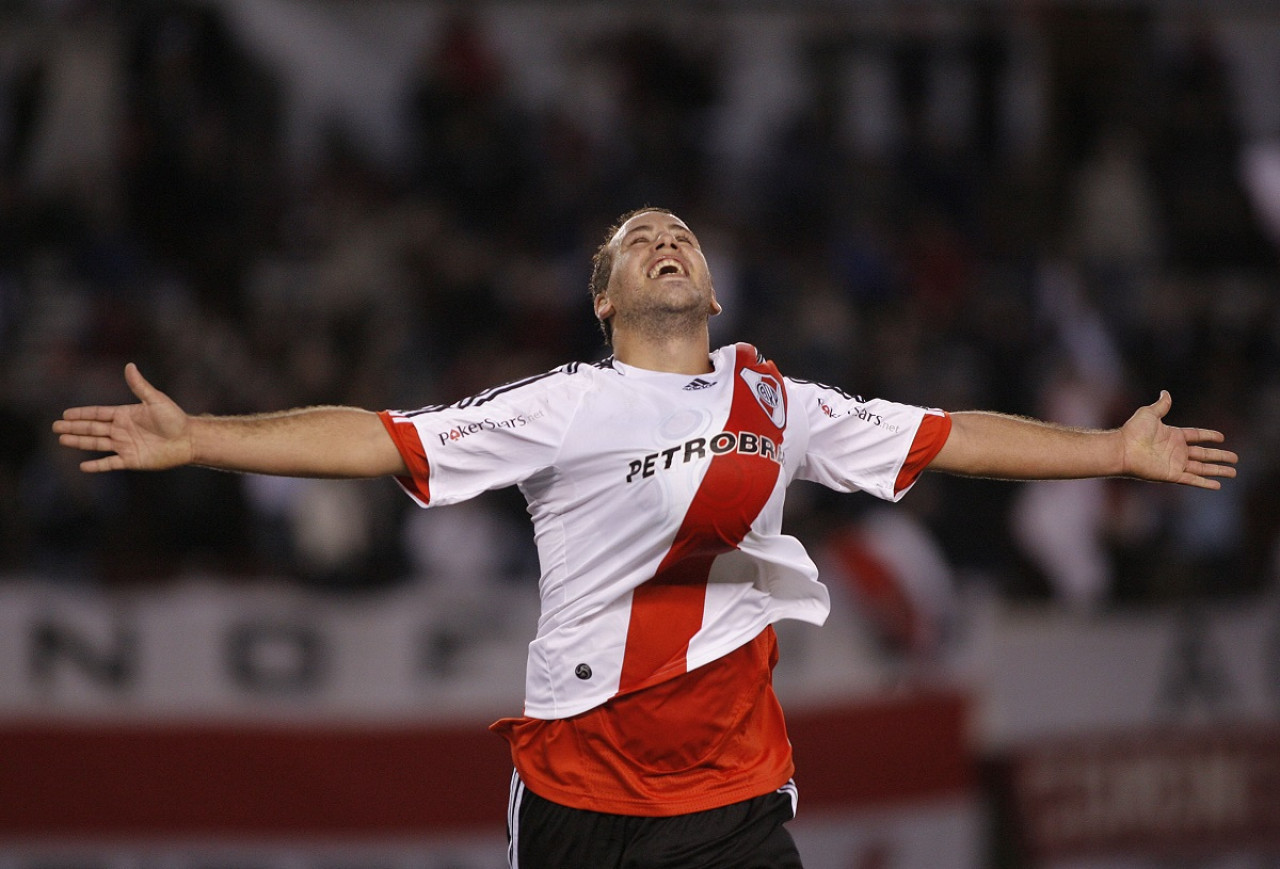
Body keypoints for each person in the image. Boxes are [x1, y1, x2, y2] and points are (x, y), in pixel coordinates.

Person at [53, 207, 1237, 868]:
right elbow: (380, 437)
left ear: (712, 294)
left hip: (733, 796)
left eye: (680, 233)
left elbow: (950, 437)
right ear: (606, 299)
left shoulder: (778, 401)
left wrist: (1110, 451)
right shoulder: (560, 402)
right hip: (579, 794)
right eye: (634, 238)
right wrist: (199, 435)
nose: (664, 235)